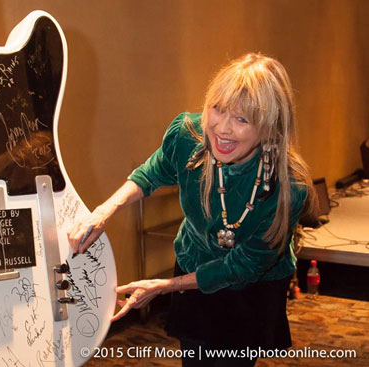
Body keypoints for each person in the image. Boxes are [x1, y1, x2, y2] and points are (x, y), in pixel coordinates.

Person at [67, 53, 316, 366]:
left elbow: (243, 266)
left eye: (242, 119)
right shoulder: (189, 135)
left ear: (269, 129)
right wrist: (103, 211)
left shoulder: (288, 188)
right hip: (194, 263)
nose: (222, 129)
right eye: (218, 109)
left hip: (252, 286)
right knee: (195, 357)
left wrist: (166, 287)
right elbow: (153, 172)